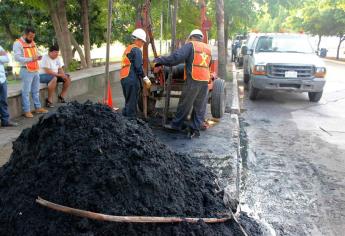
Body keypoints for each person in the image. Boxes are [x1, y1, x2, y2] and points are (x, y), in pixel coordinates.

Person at [154, 29, 212, 138]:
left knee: (185, 103)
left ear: (192, 37)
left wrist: (160, 60)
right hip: (205, 79)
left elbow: (176, 58)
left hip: (194, 79)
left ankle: (176, 125)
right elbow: (208, 64)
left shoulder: (191, 45)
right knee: (200, 106)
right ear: (201, 38)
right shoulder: (208, 48)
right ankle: (195, 128)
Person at [13, 27, 48, 118]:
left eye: (33, 37)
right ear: (25, 34)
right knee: (26, 91)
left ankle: (38, 107)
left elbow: (35, 53)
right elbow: (17, 58)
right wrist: (31, 59)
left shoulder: (32, 42)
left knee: (36, 90)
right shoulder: (17, 43)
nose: (32, 39)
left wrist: (38, 56)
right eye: (30, 37)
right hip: (26, 70)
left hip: (35, 69)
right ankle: (27, 110)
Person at [120, 28, 151, 118]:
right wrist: (145, 78)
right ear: (137, 40)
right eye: (142, 42)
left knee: (128, 102)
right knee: (132, 104)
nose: (142, 44)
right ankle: (131, 124)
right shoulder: (136, 50)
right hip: (131, 79)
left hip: (124, 78)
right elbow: (138, 67)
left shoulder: (128, 49)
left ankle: (124, 121)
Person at [0, 45, 17, 127]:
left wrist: (2, 55)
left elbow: (6, 59)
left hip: (2, 79)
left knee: (3, 101)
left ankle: (5, 121)